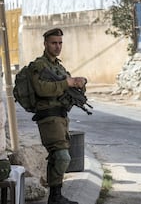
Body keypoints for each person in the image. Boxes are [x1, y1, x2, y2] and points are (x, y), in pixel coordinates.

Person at [30, 28, 87, 204]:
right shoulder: (39, 65)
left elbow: (68, 87)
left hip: (61, 118)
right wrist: (66, 82)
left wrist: (79, 83)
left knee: (56, 157)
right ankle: (55, 197)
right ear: (45, 44)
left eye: (60, 43)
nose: (57, 46)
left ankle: (56, 196)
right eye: (54, 43)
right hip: (48, 117)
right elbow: (40, 89)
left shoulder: (58, 67)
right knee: (63, 157)